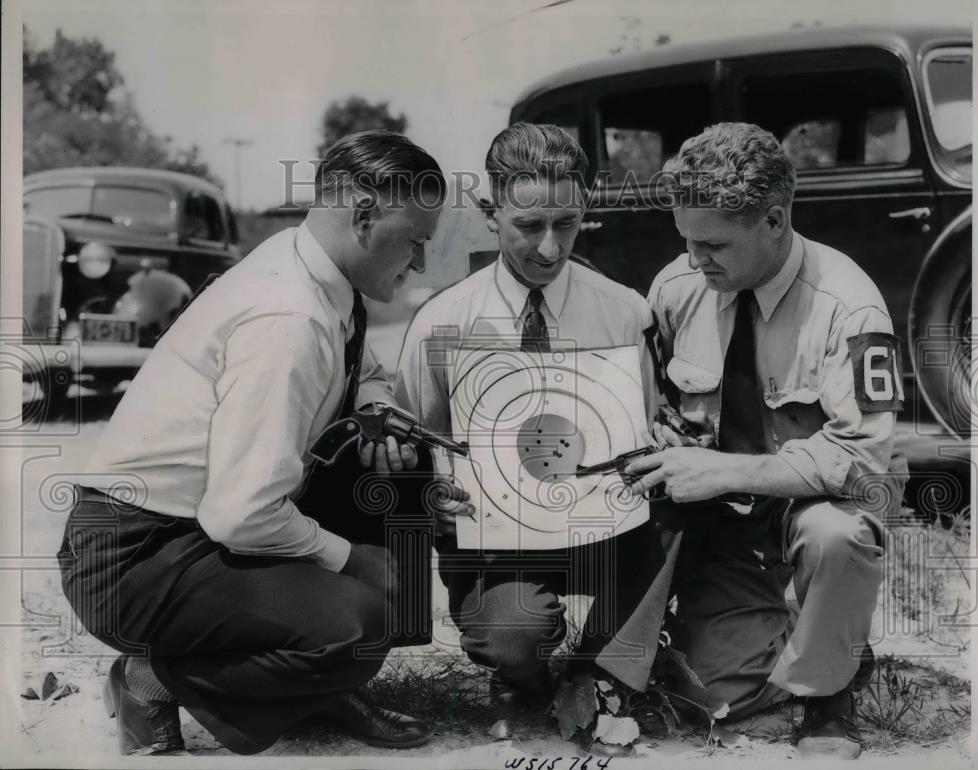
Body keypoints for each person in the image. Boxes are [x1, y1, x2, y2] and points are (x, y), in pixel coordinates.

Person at [57, 130, 453, 755]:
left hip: (194, 528)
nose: (421, 264)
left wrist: (380, 416)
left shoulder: (315, 267)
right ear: (364, 216)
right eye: (416, 242)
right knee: (362, 621)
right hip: (133, 556)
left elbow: (366, 372)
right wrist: (351, 557)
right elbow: (240, 513)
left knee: (398, 464)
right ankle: (151, 681)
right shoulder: (288, 318)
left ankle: (312, 679)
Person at [394, 122, 679, 758]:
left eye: (568, 224)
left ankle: (600, 674)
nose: (549, 248)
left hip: (603, 527)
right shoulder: (442, 322)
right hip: (496, 542)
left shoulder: (626, 311)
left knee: (680, 498)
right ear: (490, 213)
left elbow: (648, 427)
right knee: (515, 633)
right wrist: (435, 490)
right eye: (527, 226)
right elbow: (419, 439)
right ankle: (518, 681)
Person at [627, 122, 909, 759]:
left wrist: (726, 470)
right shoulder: (677, 290)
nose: (696, 261)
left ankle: (827, 700)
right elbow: (653, 407)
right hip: (726, 526)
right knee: (714, 699)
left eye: (714, 245)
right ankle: (807, 631)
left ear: (775, 221)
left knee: (837, 534)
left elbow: (863, 459)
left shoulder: (850, 307)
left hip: (810, 511)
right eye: (688, 241)